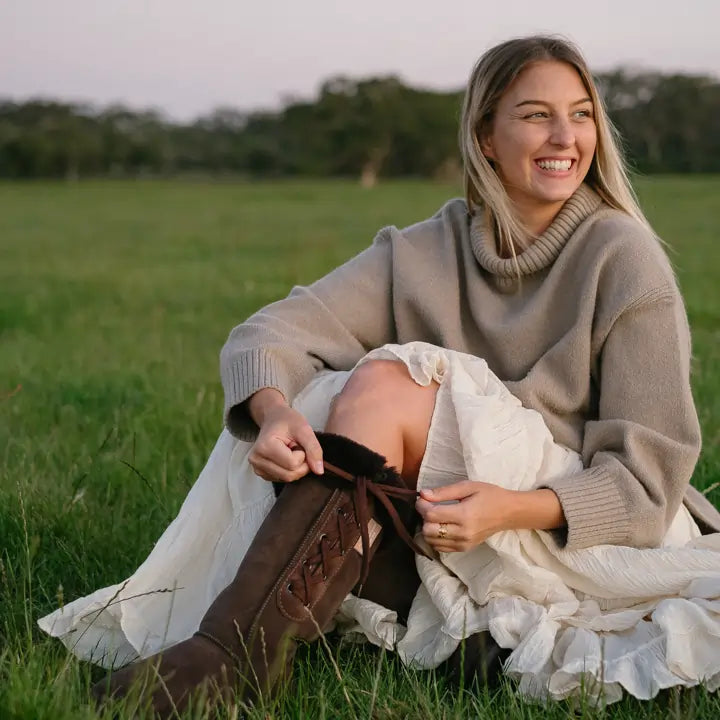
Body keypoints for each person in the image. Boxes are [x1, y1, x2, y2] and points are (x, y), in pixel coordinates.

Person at [39, 35, 720, 716]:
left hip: (577, 524)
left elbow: (647, 483)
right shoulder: (428, 248)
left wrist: (508, 508)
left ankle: (233, 653)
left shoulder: (623, 258)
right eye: (536, 115)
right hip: (452, 520)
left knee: (393, 377)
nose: (565, 136)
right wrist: (275, 414)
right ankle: (284, 642)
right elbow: (271, 334)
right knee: (321, 391)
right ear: (486, 137)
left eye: (581, 114)